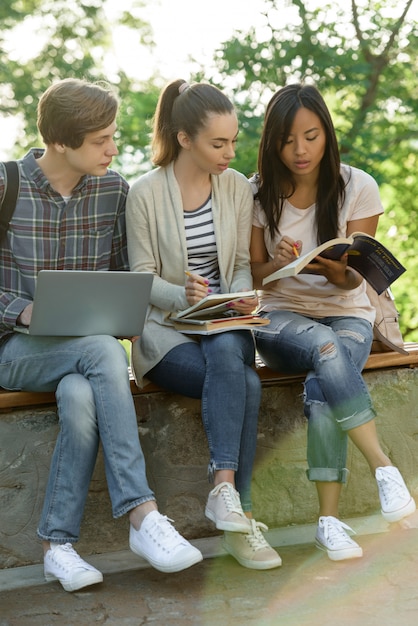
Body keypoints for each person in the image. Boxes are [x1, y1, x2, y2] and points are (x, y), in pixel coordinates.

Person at [0, 78, 203, 592]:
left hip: (84, 359)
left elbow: (122, 278)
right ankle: (142, 513)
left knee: (80, 390)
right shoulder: (5, 187)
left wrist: (170, 299)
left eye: (113, 136)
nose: (114, 149)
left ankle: (58, 545)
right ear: (61, 142)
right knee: (97, 350)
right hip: (14, 350)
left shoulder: (113, 191)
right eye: (101, 140)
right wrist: (24, 312)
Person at [250, 83, 416, 562]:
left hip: (347, 313)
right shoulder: (259, 191)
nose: (299, 150)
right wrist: (277, 261)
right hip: (279, 319)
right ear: (272, 143)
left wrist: (340, 273)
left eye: (311, 135)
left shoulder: (358, 186)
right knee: (325, 348)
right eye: (287, 140)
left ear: (327, 133)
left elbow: (354, 284)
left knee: (324, 385)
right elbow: (255, 275)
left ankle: (328, 523)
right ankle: (384, 467)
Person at [126, 78, 282, 570]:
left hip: (223, 323)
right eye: (219, 143)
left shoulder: (235, 187)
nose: (230, 152)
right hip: (166, 332)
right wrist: (182, 296)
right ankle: (241, 516)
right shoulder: (145, 194)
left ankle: (224, 493)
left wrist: (231, 299)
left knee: (227, 352)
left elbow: (237, 264)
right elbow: (139, 276)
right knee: (245, 385)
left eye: (234, 140)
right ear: (184, 138)